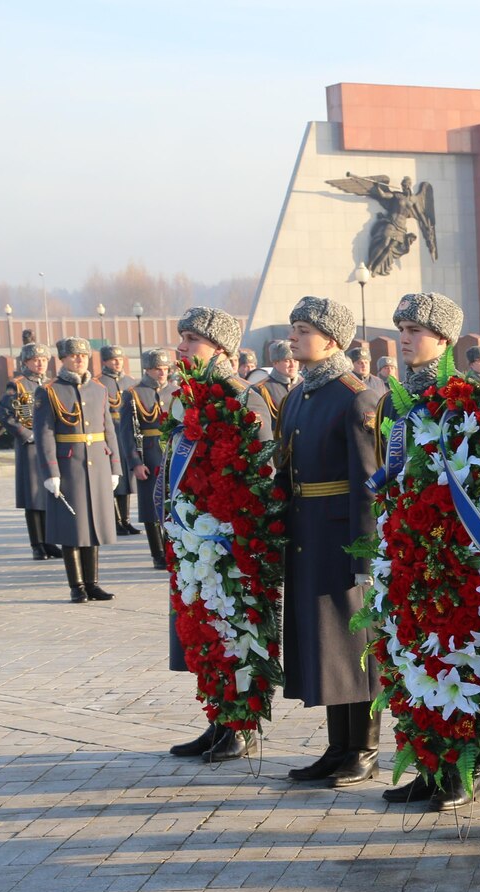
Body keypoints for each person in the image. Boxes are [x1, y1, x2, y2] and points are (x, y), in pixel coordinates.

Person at [378, 291, 480, 810]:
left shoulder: (467, 398)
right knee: (414, 660)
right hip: (408, 553)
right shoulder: (396, 400)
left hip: (454, 559)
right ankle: (426, 765)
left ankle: (459, 775)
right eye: (400, 328)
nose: (404, 339)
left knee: (455, 663)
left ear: (444, 340)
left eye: (415, 331)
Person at [279, 297, 386, 786]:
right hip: (308, 531)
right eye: (294, 328)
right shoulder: (300, 395)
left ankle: (363, 749)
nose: (294, 337)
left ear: (333, 339)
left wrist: (365, 551)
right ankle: (337, 746)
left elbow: (368, 479)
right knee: (326, 643)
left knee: (354, 640)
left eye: (304, 329)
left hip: (342, 535)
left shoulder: (354, 395)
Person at [164, 309, 277, 764]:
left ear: (222, 349)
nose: (183, 346)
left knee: (237, 629)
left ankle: (242, 726)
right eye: (183, 338)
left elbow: (261, 470)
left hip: (233, 538)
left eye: (193, 339)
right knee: (206, 628)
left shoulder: (242, 398)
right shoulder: (190, 398)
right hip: (197, 534)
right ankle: (218, 719)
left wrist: (245, 533)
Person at [34, 338, 121, 603]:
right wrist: (51, 472)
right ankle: (77, 585)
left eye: (83, 355)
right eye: (74, 356)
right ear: (63, 359)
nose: (80, 359)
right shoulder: (50, 390)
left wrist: (114, 466)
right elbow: (44, 433)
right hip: (68, 464)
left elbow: (108, 430)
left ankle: (93, 583)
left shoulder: (98, 389)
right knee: (73, 528)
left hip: (96, 461)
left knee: (93, 525)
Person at [0, 343, 59, 559]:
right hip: (30, 446)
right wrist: (25, 433)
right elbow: (5, 414)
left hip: (50, 445)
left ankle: (50, 541)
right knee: (33, 497)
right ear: (26, 362)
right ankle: (37, 544)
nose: (40, 363)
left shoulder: (52, 384)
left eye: (43, 359)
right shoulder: (18, 386)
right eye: (35, 360)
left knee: (50, 493)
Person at [123, 349, 175, 571]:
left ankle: (172, 549)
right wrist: (135, 462)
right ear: (147, 369)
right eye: (157, 369)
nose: (162, 373)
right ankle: (158, 553)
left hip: (171, 453)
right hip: (149, 455)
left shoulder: (175, 391)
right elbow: (125, 433)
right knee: (150, 507)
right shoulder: (133, 393)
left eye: (165, 369)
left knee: (172, 504)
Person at [97, 345, 142, 535]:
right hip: (109, 433)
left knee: (126, 480)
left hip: (126, 434)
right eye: (113, 359)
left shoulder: (130, 382)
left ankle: (125, 520)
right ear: (105, 361)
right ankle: (114, 520)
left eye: (120, 359)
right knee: (113, 479)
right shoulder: (98, 383)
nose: (117, 362)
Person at [254, 339, 297, 424]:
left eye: (295, 360)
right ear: (275, 362)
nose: (293, 365)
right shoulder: (261, 389)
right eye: (287, 361)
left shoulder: (305, 384)